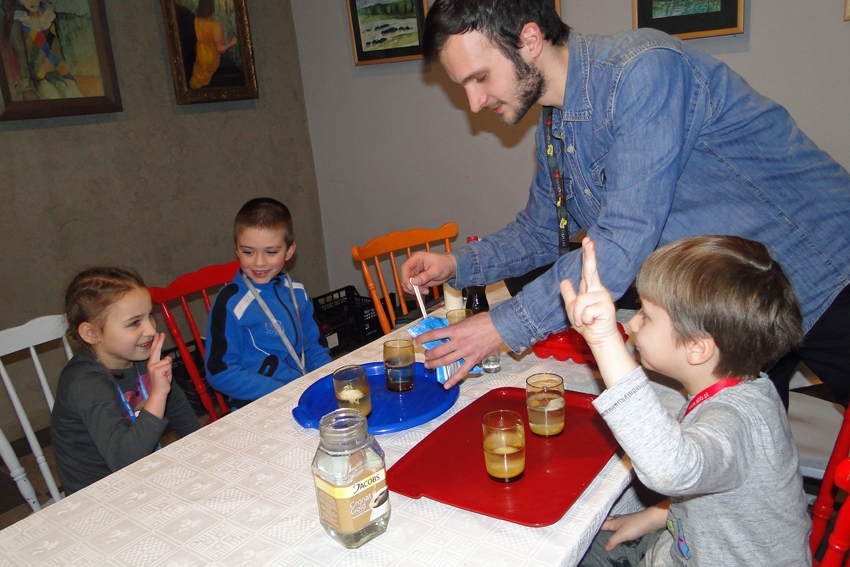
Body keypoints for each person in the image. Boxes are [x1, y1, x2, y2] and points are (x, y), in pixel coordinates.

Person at [400, 0, 850, 405]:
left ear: (530, 40)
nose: (474, 102)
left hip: (824, 270)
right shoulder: (554, 128)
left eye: (480, 78)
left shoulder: (642, 69)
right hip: (738, 306)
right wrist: (456, 264)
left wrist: (500, 326)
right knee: (746, 455)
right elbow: (540, 232)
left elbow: (622, 238)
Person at [563, 235, 810, 566]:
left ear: (697, 348)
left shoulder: (736, 422)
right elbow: (722, 496)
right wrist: (657, 515)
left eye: (646, 315)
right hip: (688, 542)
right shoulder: (746, 388)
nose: (633, 322)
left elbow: (670, 468)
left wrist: (605, 340)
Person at [51, 267, 200, 496]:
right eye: (134, 323)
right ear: (91, 333)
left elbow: (184, 419)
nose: (151, 329)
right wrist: (158, 394)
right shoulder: (85, 383)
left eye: (150, 315)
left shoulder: (140, 355)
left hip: (142, 476)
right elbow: (123, 462)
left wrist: (205, 451)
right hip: (100, 497)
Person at [205, 198, 331, 408]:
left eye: (271, 252)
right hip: (257, 403)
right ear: (236, 249)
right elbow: (219, 372)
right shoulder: (229, 303)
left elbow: (315, 348)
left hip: (302, 392)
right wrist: (281, 393)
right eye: (248, 252)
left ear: (289, 251)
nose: (259, 262)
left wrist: (328, 380)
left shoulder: (297, 292)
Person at [9, 0, 84, 100]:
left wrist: (62, 66)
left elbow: (56, 47)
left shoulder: (49, 18)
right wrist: (25, 77)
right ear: (21, 1)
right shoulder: (19, 23)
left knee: (74, 92)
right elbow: (21, 53)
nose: (31, 2)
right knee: (52, 95)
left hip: (56, 65)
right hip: (37, 71)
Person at [188, 0, 237, 89]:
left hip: (200, 57)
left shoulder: (196, 20)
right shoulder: (215, 25)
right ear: (212, 8)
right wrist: (231, 43)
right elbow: (220, 49)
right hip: (211, 60)